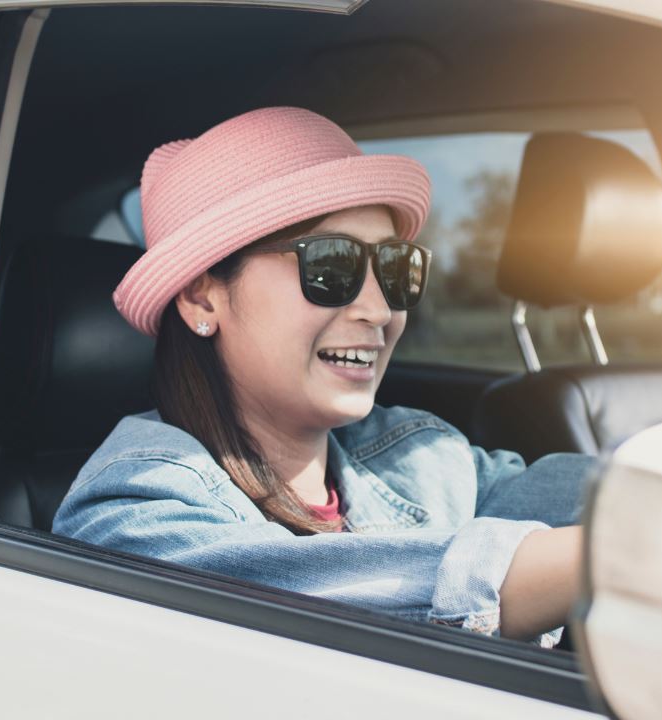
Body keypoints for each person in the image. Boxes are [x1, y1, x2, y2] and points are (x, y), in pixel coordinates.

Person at [52, 106, 592, 646]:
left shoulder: (418, 453)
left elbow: (605, 495)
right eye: (331, 266)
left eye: (395, 269)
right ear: (200, 295)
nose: (379, 311)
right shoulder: (131, 508)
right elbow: (307, 611)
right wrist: (613, 556)